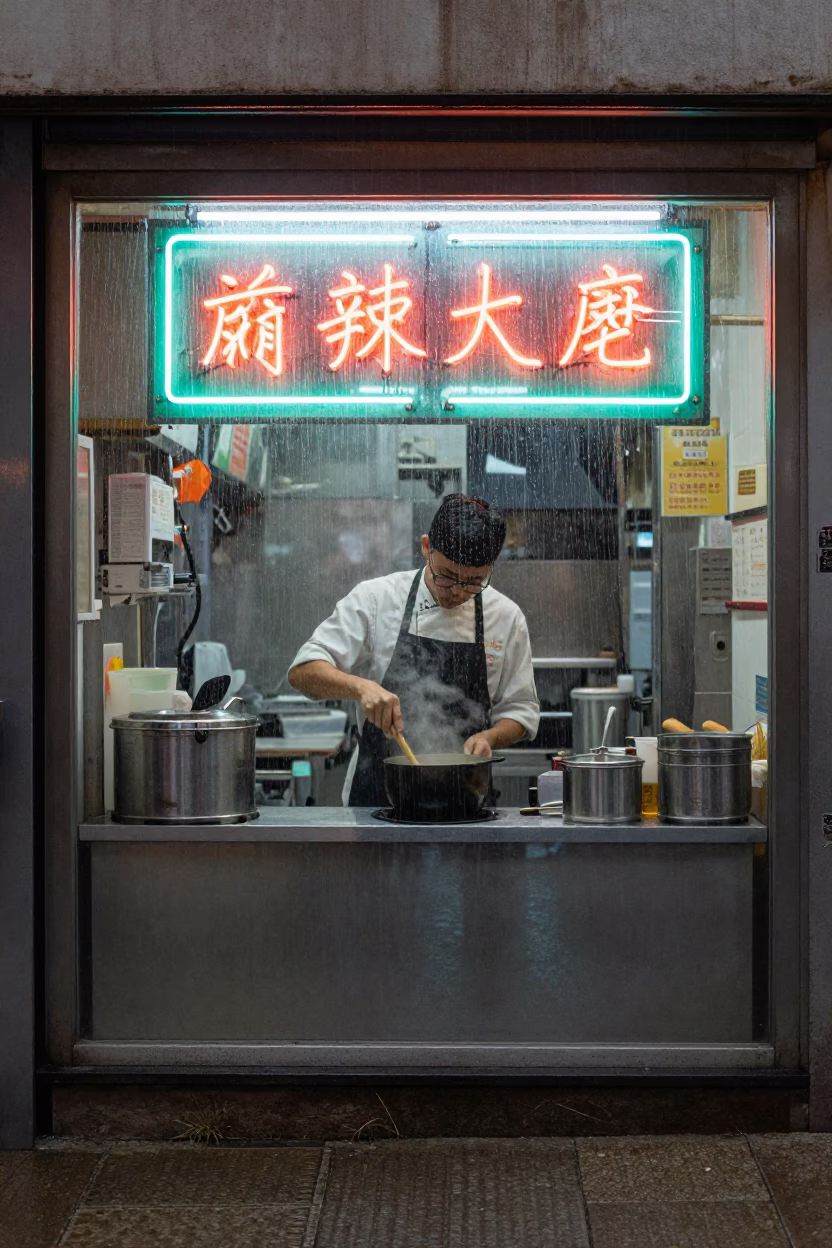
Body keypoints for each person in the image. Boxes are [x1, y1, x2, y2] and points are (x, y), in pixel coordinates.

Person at [288, 495, 540, 806]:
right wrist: (362, 687)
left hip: (467, 801)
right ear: (426, 548)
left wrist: (490, 737)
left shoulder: (505, 616)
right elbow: (303, 672)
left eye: (475, 581)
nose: (459, 591)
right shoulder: (376, 599)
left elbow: (521, 711)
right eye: (447, 576)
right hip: (377, 802)